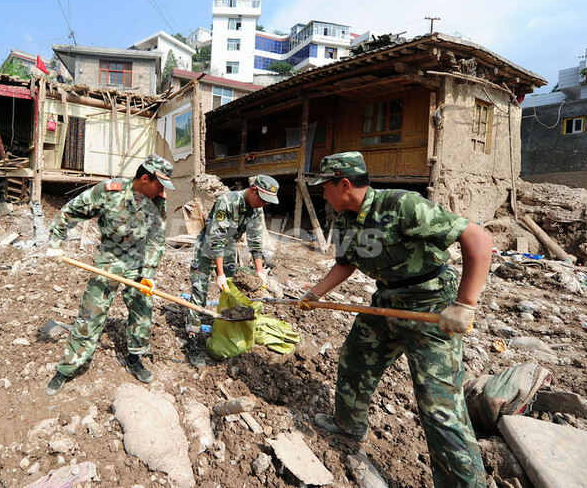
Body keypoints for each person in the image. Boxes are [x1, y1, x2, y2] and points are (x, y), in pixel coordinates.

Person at [299, 151, 492, 488]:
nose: (322, 194)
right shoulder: (345, 220)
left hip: (430, 307)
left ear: (343, 184)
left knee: (439, 408)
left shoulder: (402, 205)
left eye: (324, 187)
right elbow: (347, 263)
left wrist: (465, 304)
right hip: (387, 302)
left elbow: (477, 237)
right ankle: (349, 425)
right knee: (355, 359)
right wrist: (316, 293)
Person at [44, 154, 174, 396]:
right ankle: (68, 367)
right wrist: (55, 240)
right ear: (145, 178)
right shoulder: (109, 191)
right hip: (109, 259)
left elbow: (156, 239)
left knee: (142, 310)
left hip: (138, 262)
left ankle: (135, 359)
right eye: (160, 184)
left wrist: (149, 272)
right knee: (90, 313)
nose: (162, 190)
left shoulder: (158, 201)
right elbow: (72, 211)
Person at [185, 175, 280, 367]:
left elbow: (255, 241)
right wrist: (219, 274)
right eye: (261, 199)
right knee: (199, 294)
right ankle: (192, 340)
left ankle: (223, 330)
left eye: (266, 202)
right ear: (253, 190)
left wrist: (260, 271)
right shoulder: (226, 202)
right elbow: (215, 240)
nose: (262, 204)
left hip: (228, 251)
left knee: (231, 293)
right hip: (207, 249)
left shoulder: (255, 210)